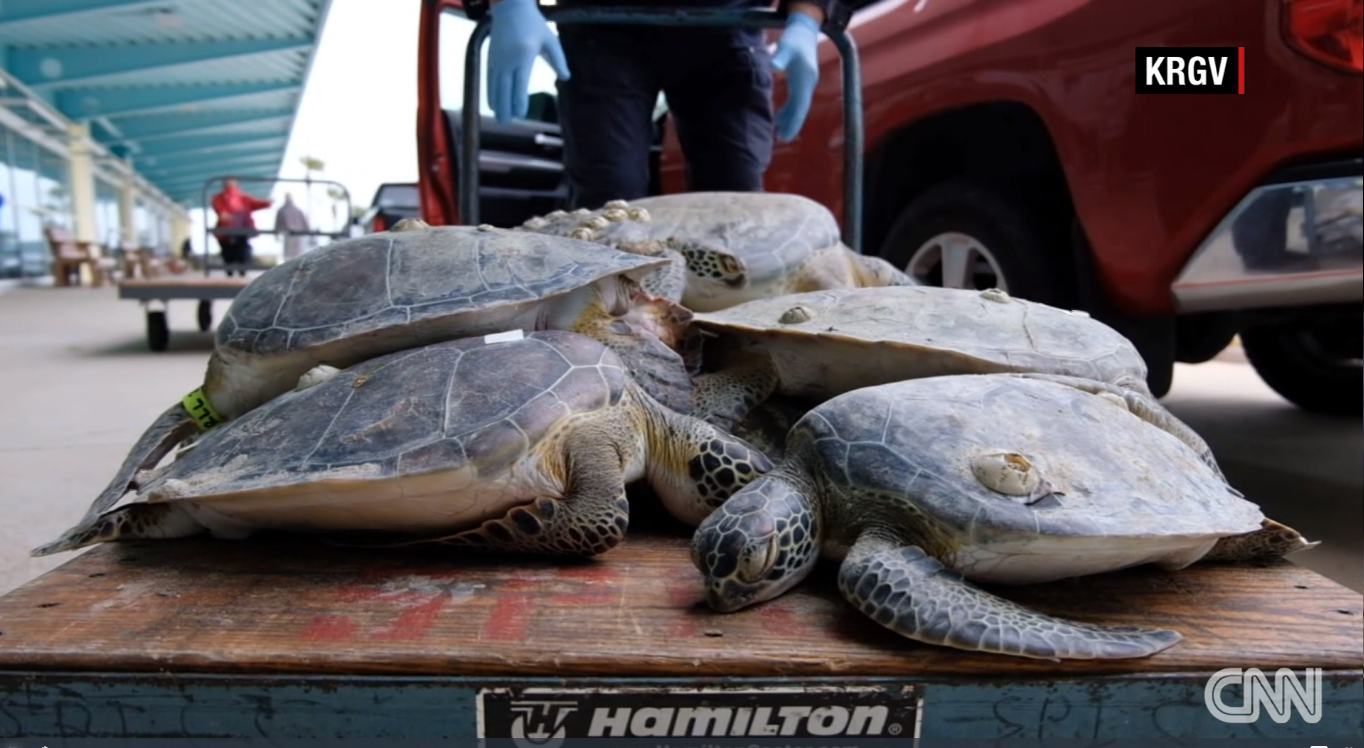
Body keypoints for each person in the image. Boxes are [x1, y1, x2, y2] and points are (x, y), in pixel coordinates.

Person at [469, 0, 851, 211]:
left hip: (726, 23)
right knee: (608, 200)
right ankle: (604, 333)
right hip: (601, 27)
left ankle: (734, 335)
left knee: (735, 199)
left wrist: (807, 15)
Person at [210, 178, 272, 277]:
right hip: (231, 229)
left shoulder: (243, 197)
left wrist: (267, 203)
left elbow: (256, 203)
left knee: (235, 250)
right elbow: (219, 209)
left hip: (235, 228)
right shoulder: (238, 197)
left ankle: (236, 270)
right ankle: (236, 270)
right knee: (234, 250)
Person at [273, 193, 312, 261]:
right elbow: (278, 223)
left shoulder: (297, 210)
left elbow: (304, 222)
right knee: (289, 254)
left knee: (297, 253)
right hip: (288, 234)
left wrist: (307, 232)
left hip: (297, 234)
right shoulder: (283, 210)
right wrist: (276, 234)